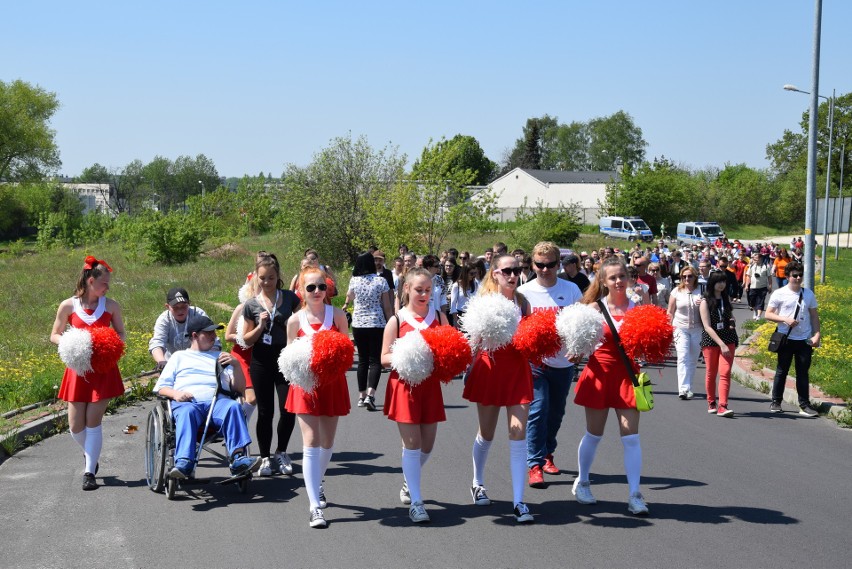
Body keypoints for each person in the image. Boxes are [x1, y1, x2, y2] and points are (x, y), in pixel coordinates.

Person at [572, 256, 649, 516]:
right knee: (594, 434)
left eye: (622, 276)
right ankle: (583, 482)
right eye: (613, 277)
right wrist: (574, 353)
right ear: (603, 281)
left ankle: (635, 494)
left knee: (631, 437)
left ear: (628, 277)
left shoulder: (638, 306)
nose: (618, 281)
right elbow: (579, 344)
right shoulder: (593, 308)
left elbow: (649, 341)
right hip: (599, 374)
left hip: (628, 376)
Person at [462, 254, 535, 523]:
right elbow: (473, 339)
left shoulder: (523, 301)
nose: (513, 275)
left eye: (517, 270)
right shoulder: (483, 302)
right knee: (488, 432)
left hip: (517, 369)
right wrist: (463, 366)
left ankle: (519, 501)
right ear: (495, 273)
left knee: (518, 432)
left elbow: (530, 335)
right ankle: (477, 481)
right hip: (490, 368)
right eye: (507, 271)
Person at [381, 268, 450, 524]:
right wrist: (408, 357)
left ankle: (409, 482)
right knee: (412, 444)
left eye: (428, 290)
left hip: (430, 387)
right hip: (405, 386)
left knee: (427, 445)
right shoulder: (396, 321)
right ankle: (417, 504)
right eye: (419, 289)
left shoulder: (440, 317)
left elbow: (449, 350)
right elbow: (384, 357)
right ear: (407, 288)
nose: (424, 294)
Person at [50, 256, 126, 491]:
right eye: (104, 283)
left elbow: (121, 334)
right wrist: (71, 344)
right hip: (78, 370)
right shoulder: (68, 305)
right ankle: (90, 456)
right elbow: (54, 334)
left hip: (103, 371)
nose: (107, 287)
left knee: (93, 422)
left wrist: (111, 348)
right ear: (91, 281)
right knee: (75, 427)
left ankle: (89, 472)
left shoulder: (111, 306)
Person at [153, 315, 259, 480]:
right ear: (194, 336)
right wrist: (176, 394)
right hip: (188, 402)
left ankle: (238, 459)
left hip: (218, 402)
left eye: (214, 333)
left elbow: (238, 389)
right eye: (208, 333)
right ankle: (183, 463)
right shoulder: (178, 357)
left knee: (233, 407)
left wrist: (236, 365)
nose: (213, 336)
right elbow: (161, 388)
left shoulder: (221, 357)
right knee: (187, 412)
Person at [285, 268, 352, 528]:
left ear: (328, 289)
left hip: (332, 384)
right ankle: (314, 506)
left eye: (321, 287)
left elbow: (346, 352)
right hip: (305, 387)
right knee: (311, 441)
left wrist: (331, 361)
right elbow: (288, 359)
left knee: (327, 442)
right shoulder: (294, 321)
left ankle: (317, 481)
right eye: (310, 287)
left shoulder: (337, 316)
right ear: (301, 291)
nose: (316, 292)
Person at [518, 242, 583, 489]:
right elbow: (518, 325)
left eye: (550, 265)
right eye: (539, 265)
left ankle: (547, 453)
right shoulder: (524, 292)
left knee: (556, 413)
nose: (544, 269)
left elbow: (581, 323)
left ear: (559, 264)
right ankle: (534, 464)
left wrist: (579, 349)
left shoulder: (572, 289)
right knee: (538, 409)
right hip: (535, 363)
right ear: (533, 264)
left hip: (563, 362)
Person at [242, 253, 301, 477]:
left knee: (288, 408)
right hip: (261, 361)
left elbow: (301, 325)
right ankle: (264, 457)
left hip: (285, 359)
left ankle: (282, 452)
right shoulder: (251, 305)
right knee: (265, 412)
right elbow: (245, 340)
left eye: (272, 278)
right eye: (263, 278)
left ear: (278, 277)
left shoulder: (290, 298)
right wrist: (260, 326)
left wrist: (284, 322)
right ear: (256, 277)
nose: (267, 282)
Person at [765, 261, 821, 416]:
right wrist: (785, 319)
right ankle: (776, 402)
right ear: (788, 276)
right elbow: (768, 314)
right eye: (794, 275)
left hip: (804, 340)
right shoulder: (779, 293)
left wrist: (817, 335)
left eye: (800, 275)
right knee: (782, 370)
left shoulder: (808, 294)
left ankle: (804, 405)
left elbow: (814, 317)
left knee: (803, 373)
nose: (798, 278)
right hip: (786, 338)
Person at [344, 252, 392, 410]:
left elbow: (349, 297)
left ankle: (361, 395)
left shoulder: (354, 281)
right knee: (375, 360)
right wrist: (392, 322)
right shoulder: (381, 281)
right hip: (377, 323)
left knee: (363, 360)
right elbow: (386, 306)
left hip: (358, 324)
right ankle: (371, 395)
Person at [699, 272, 738, 417]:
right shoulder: (705, 301)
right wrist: (721, 344)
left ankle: (723, 405)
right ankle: (711, 402)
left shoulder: (725, 298)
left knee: (725, 372)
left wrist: (732, 322)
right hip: (711, 340)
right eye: (718, 282)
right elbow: (707, 326)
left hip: (728, 338)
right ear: (712, 283)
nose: (721, 285)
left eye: (723, 281)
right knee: (711, 372)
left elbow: (730, 314)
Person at [149, 287, 213, 369]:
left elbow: (212, 339)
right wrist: (161, 361)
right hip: (171, 363)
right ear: (167, 306)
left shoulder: (198, 314)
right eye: (175, 307)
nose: (180, 311)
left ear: (189, 303)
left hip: (199, 360)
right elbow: (157, 343)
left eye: (184, 306)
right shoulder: (164, 319)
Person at [667, 266, 703, 400]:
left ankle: (689, 387)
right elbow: (670, 311)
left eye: (690, 276)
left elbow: (710, 306)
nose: (687, 279)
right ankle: (683, 389)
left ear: (695, 277)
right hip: (680, 328)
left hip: (697, 329)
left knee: (693, 359)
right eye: (684, 277)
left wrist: (704, 302)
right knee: (682, 357)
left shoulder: (701, 291)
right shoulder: (676, 291)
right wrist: (667, 328)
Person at [745, 250, 772, 320]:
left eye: (756, 259)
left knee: (760, 301)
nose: (754, 260)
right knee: (752, 301)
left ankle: (759, 316)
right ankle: (755, 311)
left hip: (762, 287)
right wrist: (746, 285)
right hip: (752, 287)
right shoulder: (751, 266)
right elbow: (748, 276)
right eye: (754, 259)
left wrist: (770, 286)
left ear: (760, 259)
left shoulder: (766, 266)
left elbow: (769, 277)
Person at [449, 263, 479, 327]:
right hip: (460, 314)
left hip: (472, 314)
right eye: (471, 273)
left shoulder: (475, 284)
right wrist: (455, 320)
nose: (473, 276)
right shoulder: (457, 285)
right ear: (465, 273)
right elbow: (453, 304)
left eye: (475, 273)